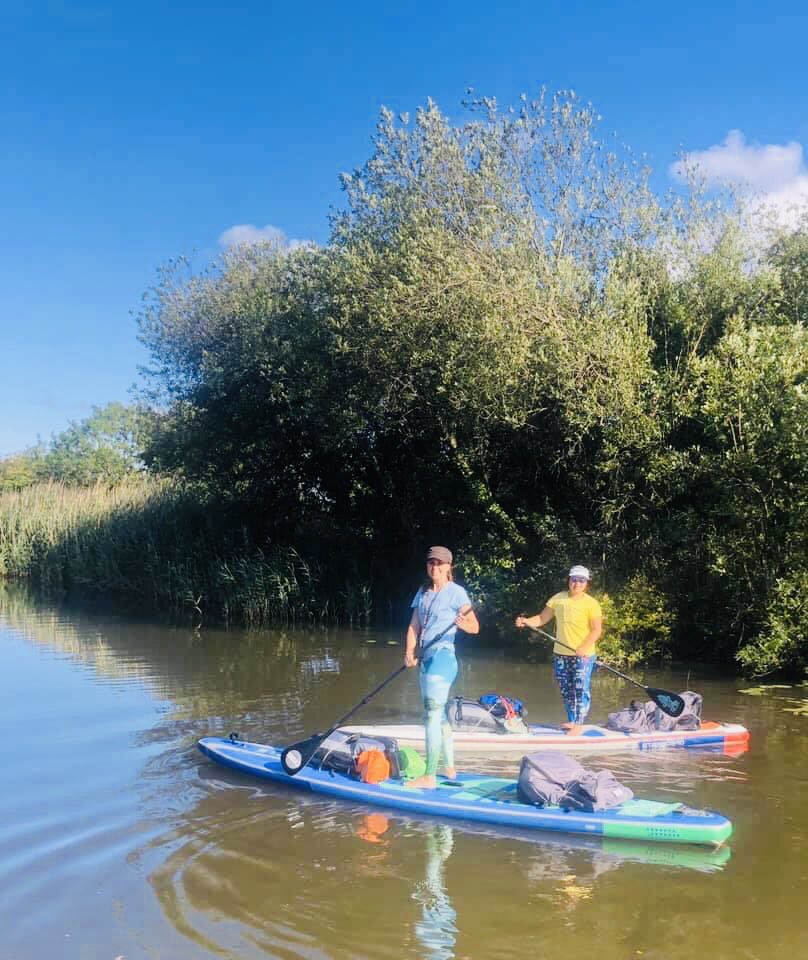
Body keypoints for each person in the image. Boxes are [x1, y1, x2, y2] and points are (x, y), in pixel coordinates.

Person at [404, 546, 479, 789]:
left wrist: (463, 623)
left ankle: (429, 776)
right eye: (431, 563)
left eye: (439, 563)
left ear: (448, 567)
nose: (434, 567)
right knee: (439, 715)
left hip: (443, 659)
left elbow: (474, 627)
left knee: (431, 716)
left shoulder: (457, 593)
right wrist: (409, 652)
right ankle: (449, 767)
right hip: (425, 659)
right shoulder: (423, 591)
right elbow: (414, 625)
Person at [515, 565, 602, 729]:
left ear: (586, 583)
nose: (577, 583)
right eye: (574, 580)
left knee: (580, 689)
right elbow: (541, 618)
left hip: (583, 655)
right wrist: (526, 621)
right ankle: (572, 720)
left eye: (581, 581)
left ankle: (578, 725)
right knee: (567, 691)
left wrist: (583, 647)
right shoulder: (558, 599)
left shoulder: (592, 604)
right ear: (569, 580)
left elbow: (597, 630)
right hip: (561, 654)